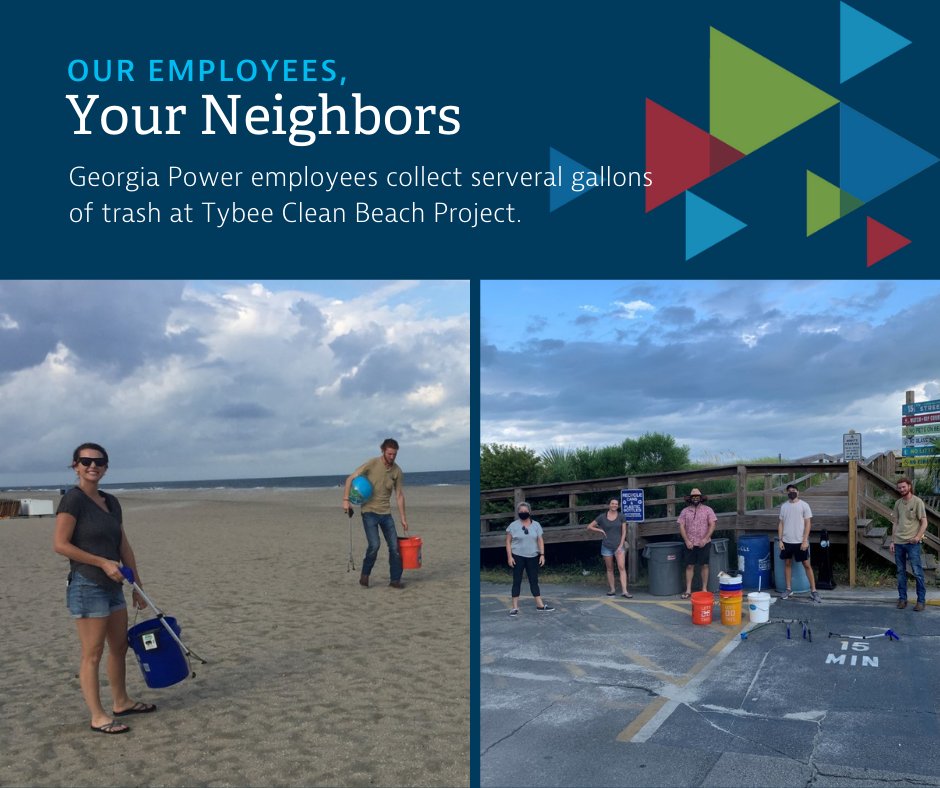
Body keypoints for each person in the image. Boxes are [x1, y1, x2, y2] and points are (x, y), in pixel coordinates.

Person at [52, 443, 155, 735]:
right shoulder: (73, 500)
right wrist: (102, 562)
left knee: (119, 646)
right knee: (92, 653)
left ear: (106, 467)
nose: (92, 466)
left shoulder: (111, 502)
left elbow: (123, 544)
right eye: (86, 461)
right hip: (87, 585)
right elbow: (60, 544)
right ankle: (98, 716)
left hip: (114, 586)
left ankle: (121, 702)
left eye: (99, 462)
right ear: (75, 466)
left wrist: (137, 584)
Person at [343, 438, 408, 589]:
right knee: (374, 545)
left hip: (386, 513)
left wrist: (403, 518)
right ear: (383, 451)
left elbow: (399, 495)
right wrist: (346, 500)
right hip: (369, 512)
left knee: (395, 547)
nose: (392, 457)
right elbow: (350, 479)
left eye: (394, 454)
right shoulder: (372, 463)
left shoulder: (397, 471)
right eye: (389, 454)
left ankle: (395, 580)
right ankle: (365, 576)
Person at [505, 502, 554, 615]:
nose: (523, 513)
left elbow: (540, 540)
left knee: (534, 580)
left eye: (525, 511)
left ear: (529, 512)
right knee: (517, 581)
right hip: (517, 555)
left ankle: (540, 605)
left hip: (533, 556)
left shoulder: (536, 525)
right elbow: (508, 542)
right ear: (518, 512)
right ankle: (515, 607)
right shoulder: (513, 526)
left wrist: (542, 554)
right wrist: (509, 557)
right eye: (521, 511)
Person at [778, 484, 821, 602]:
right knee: (787, 563)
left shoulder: (804, 505)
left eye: (793, 490)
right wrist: (780, 540)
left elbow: (808, 523)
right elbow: (781, 523)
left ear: (798, 492)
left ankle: (813, 591)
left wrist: (805, 540)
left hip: (800, 541)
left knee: (806, 564)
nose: (791, 492)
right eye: (789, 491)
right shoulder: (784, 506)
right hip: (786, 541)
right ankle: (788, 589)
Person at [890, 477, 928, 612]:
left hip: (912, 543)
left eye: (904, 487)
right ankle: (902, 599)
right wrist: (892, 541)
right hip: (899, 543)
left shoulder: (917, 502)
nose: (901, 489)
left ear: (909, 487)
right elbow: (895, 522)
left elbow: (924, 522)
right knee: (900, 572)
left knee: (917, 572)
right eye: (899, 487)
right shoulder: (898, 503)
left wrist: (917, 537)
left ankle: (921, 601)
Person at [586, 498, 632, 597]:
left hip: (618, 546)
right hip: (606, 546)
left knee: (622, 567)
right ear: (609, 505)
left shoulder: (621, 516)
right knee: (610, 568)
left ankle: (625, 591)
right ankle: (612, 589)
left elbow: (624, 532)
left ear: (618, 506)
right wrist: (600, 530)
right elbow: (589, 526)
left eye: (616, 504)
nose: (614, 505)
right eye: (612, 503)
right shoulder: (602, 517)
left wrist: (621, 546)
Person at [678, 488, 717, 599]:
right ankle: (688, 590)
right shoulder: (685, 511)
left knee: (704, 565)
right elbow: (681, 526)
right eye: (693, 497)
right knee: (689, 566)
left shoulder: (708, 510)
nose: (695, 498)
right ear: (690, 499)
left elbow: (712, 524)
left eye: (697, 497)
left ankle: (704, 589)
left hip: (704, 542)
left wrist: (705, 539)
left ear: (701, 498)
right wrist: (686, 540)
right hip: (690, 543)